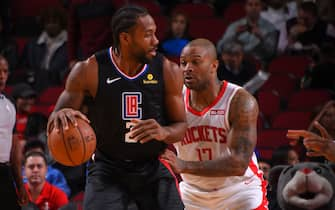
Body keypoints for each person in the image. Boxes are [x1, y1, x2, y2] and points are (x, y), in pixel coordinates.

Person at [47, 5, 187, 210]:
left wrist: (163, 131)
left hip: (152, 166)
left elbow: (181, 126)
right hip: (107, 168)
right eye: (148, 35)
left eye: (155, 33)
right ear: (126, 38)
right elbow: (54, 121)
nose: (156, 41)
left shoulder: (167, 70)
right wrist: (62, 115)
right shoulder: (89, 70)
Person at [161, 38, 268, 209]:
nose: (187, 68)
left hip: (239, 192)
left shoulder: (239, 101)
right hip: (193, 195)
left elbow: (238, 163)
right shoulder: (174, 100)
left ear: (214, 66)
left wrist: (184, 165)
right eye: (183, 63)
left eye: (195, 62)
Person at [0, 55, 28, 209]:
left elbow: (14, 148)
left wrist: (20, 184)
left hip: (4, 172)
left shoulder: (10, 104)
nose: (1, 76)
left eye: (5, 71)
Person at [217, 0, 278, 66]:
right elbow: (219, 48)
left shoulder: (270, 28)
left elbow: (271, 53)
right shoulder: (235, 26)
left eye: (256, 5)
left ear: (261, 7)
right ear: (245, 7)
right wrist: (234, 35)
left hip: (259, 65)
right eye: (250, 4)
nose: (253, 7)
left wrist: (261, 38)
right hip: (236, 64)